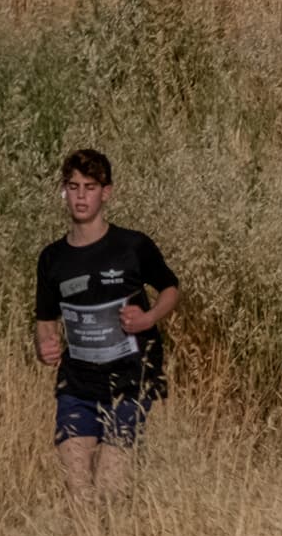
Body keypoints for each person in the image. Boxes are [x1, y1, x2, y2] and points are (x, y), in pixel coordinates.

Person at [34, 148, 177, 495]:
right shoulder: (52, 258)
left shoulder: (132, 245)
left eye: (90, 187)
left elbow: (171, 288)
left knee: (109, 488)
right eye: (73, 186)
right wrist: (44, 347)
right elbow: (45, 319)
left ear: (107, 192)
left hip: (129, 381)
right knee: (77, 488)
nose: (81, 196)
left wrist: (148, 318)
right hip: (78, 386)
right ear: (63, 191)